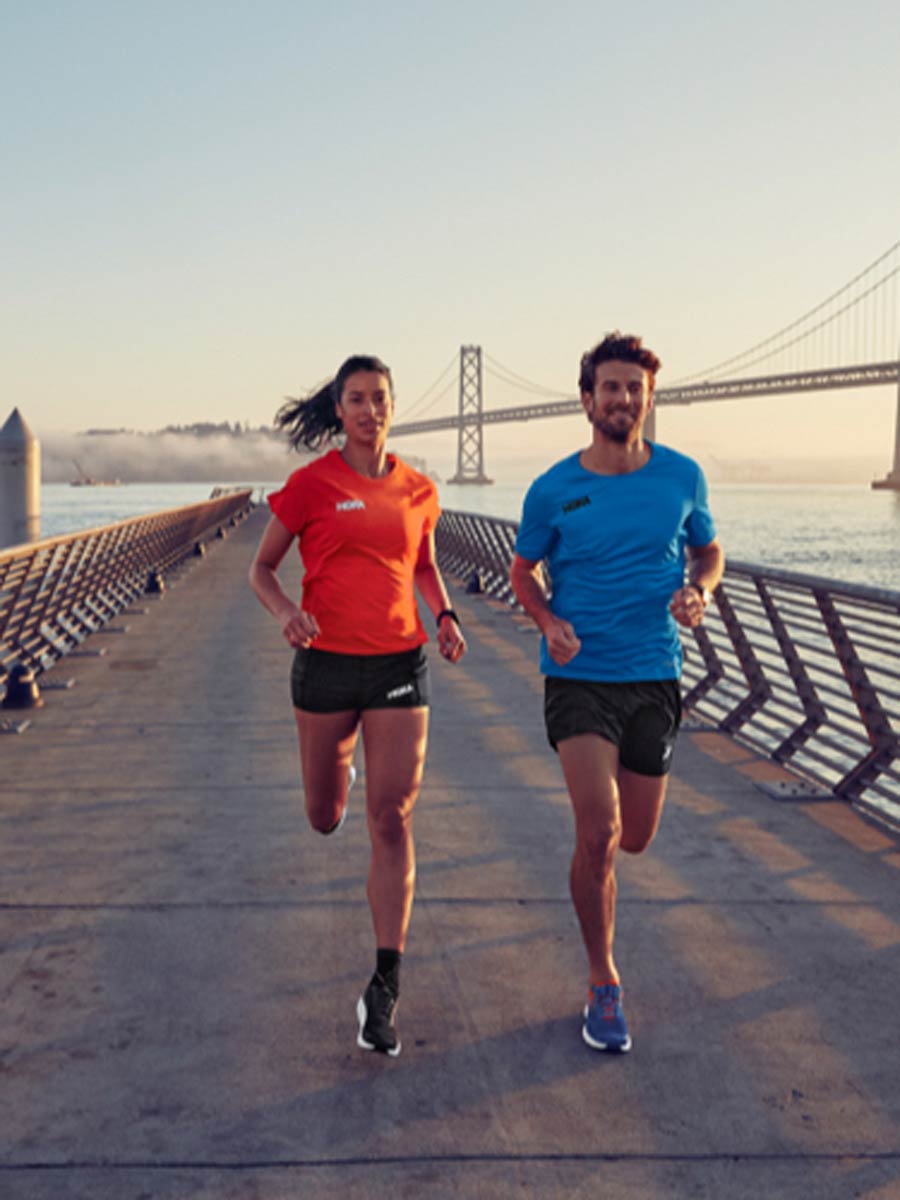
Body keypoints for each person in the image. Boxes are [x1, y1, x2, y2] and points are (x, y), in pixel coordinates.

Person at [509, 331, 724, 1054]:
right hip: (578, 678)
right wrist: (546, 618)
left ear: (649, 397)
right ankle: (603, 980)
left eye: (635, 387)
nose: (623, 398)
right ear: (586, 399)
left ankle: (601, 928)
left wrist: (700, 589)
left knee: (635, 836)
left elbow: (708, 549)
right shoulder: (552, 489)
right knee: (597, 832)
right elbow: (520, 570)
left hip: (655, 675)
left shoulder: (682, 476)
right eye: (611, 387)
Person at [249, 354, 466, 1057]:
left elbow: (425, 565)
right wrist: (286, 611)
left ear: (392, 406)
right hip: (325, 669)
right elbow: (262, 567)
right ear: (338, 411)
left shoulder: (419, 490)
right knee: (325, 817)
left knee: (393, 816)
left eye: (379, 398)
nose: (369, 409)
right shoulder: (311, 486)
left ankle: (385, 985)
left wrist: (446, 615)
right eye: (356, 399)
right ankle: (333, 785)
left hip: (400, 666)